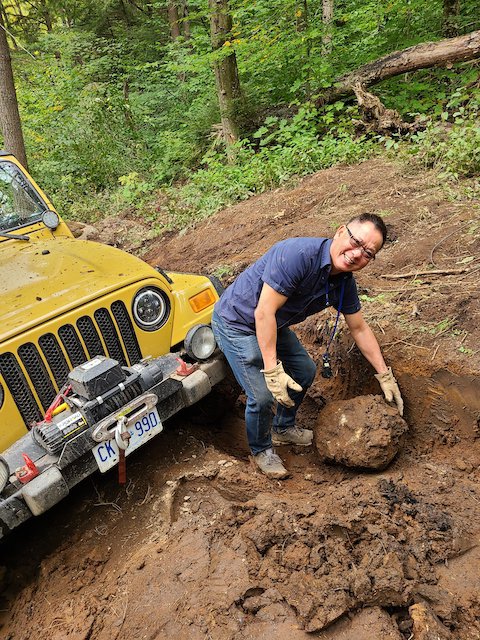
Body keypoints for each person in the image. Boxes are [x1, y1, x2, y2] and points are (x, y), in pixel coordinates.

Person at [211, 213, 404, 479]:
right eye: (356, 241)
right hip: (237, 320)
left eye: (367, 252)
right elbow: (263, 312)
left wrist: (384, 374)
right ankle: (261, 450)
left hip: (273, 323)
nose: (356, 254)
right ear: (340, 231)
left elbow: (359, 327)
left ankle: (283, 428)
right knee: (263, 395)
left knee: (304, 370)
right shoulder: (298, 255)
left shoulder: (343, 282)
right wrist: (272, 370)